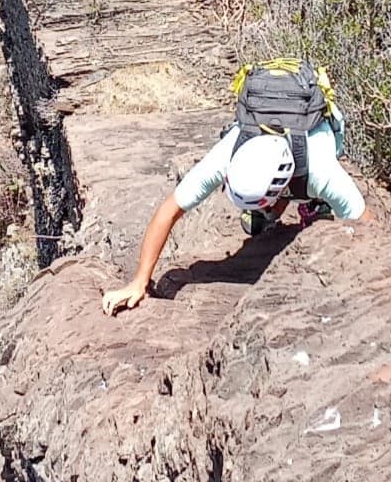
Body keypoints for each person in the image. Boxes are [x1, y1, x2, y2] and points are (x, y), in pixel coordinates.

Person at [101, 59, 367, 316]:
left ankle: (314, 203)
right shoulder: (227, 154)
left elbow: (366, 223)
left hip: (314, 126)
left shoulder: (322, 169)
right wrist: (139, 281)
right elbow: (169, 210)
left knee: (316, 196)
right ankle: (266, 216)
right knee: (256, 227)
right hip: (270, 132)